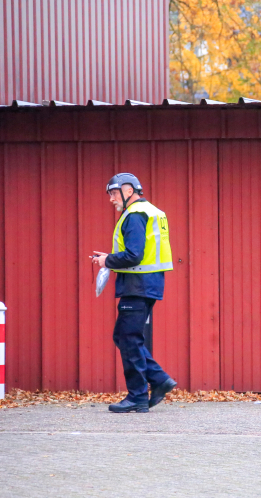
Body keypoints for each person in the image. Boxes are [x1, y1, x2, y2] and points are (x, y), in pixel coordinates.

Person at [91, 173, 177, 413]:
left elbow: (134, 255)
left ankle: (142, 392)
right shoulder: (151, 211)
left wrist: (107, 260)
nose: (111, 199)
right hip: (146, 284)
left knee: (127, 338)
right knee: (125, 337)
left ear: (128, 190)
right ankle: (155, 383)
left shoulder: (135, 215)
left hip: (137, 285)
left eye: (114, 193)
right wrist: (109, 258)